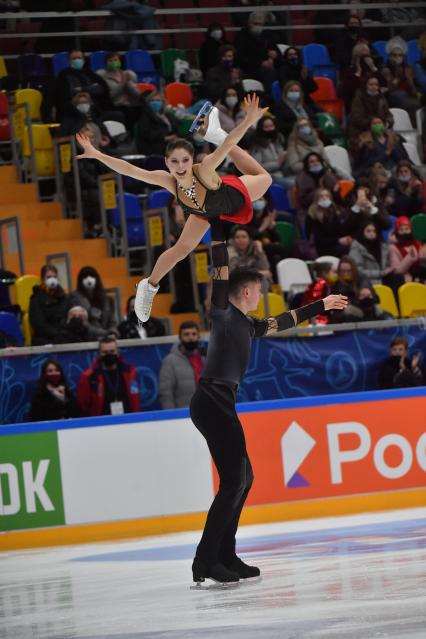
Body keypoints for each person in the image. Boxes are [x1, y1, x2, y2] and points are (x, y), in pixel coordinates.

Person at [190, 220, 348, 584]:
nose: (261, 294)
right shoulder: (223, 313)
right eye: (258, 289)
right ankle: (205, 560)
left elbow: (284, 321)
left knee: (243, 478)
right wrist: (218, 229)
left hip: (220, 401)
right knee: (234, 480)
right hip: (212, 399)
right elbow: (219, 272)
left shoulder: (248, 324)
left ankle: (225, 555)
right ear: (244, 292)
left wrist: (320, 304)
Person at [76, 94, 273, 323]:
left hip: (230, 197)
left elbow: (230, 145)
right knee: (181, 249)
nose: (180, 167)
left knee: (265, 178)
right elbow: (129, 169)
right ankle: (148, 286)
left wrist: (248, 120)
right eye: (174, 162)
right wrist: (97, 154)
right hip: (203, 211)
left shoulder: (205, 168)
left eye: (185, 161)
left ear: (192, 161)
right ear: (167, 163)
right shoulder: (167, 180)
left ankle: (215, 134)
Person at [77, 335, 141, 416]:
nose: (109, 355)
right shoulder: (89, 376)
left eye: (112, 351)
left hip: (128, 419)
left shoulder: (130, 372)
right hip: (101, 422)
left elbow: (135, 398)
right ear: (99, 354)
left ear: (118, 352)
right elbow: (83, 404)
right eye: (105, 352)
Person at [53, 49, 112, 121]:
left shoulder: (90, 74)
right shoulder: (64, 75)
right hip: (74, 110)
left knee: (119, 115)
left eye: (79, 58)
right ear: (69, 61)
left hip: (95, 109)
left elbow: (101, 88)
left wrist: (82, 89)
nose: (77, 60)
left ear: (84, 60)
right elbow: (70, 92)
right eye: (74, 58)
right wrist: (91, 88)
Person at [159, 321, 205, 409]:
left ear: (198, 336)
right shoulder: (170, 361)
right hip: (183, 415)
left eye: (194, 334)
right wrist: (172, 416)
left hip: (206, 412)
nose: (191, 337)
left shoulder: (205, 358)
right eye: (186, 334)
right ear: (180, 337)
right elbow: (166, 393)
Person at [329, 256, 384, 322]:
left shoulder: (362, 279)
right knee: (349, 311)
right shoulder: (337, 284)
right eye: (342, 271)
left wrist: (366, 294)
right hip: (348, 312)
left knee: (378, 309)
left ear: (354, 270)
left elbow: (376, 299)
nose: (345, 274)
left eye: (348, 271)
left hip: (365, 309)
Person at [382, 36, 421, 124]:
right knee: (401, 95)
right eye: (394, 55)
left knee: (417, 101)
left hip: (408, 96)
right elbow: (390, 89)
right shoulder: (386, 70)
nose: (397, 58)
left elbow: (414, 92)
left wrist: (410, 81)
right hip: (392, 97)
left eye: (400, 55)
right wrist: (398, 77)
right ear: (389, 56)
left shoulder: (408, 69)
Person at [70, 266, 118, 338]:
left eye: (92, 276)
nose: (89, 279)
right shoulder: (74, 299)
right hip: (87, 338)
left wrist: (113, 332)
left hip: (108, 339)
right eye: (85, 277)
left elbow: (112, 321)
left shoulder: (107, 300)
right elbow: (83, 324)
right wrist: (105, 333)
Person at [29, 264, 69, 346]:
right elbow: (39, 325)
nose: (52, 280)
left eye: (54, 277)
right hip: (44, 339)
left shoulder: (64, 297)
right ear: (42, 279)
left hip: (62, 335)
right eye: (49, 277)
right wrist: (58, 334)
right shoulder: (35, 300)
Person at [349, 77, 393, 149]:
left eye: (376, 84)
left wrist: (388, 122)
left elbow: (388, 115)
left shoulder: (381, 98)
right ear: (366, 85)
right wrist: (373, 122)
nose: (374, 87)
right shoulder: (358, 99)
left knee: (396, 140)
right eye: (371, 84)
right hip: (362, 131)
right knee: (372, 145)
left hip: (381, 131)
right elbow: (357, 119)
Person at [306, 188, 352, 257]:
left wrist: (346, 238)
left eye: (327, 196)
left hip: (335, 243)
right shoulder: (313, 215)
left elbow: (340, 230)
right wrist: (338, 240)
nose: (324, 198)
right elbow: (318, 239)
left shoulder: (335, 211)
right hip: (321, 247)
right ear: (316, 199)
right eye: (321, 196)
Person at [133, 89, 178, 156]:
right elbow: (146, 134)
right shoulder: (145, 115)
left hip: (167, 143)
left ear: (162, 102)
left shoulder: (166, 115)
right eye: (152, 100)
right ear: (148, 102)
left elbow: (176, 127)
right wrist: (164, 138)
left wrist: (176, 136)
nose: (155, 102)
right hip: (152, 146)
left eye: (158, 100)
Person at [249, 116, 288, 189]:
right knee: (292, 184)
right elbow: (257, 167)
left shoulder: (279, 138)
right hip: (270, 176)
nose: (270, 129)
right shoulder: (257, 145)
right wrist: (278, 163)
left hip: (283, 172)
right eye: (266, 127)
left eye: (271, 126)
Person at [388, 216, 426, 283]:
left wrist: (423, 257)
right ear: (397, 231)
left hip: (419, 276)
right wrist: (410, 258)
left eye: (407, 229)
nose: (405, 232)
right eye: (401, 230)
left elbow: (421, 261)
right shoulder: (393, 247)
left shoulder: (417, 243)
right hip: (403, 278)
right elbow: (397, 271)